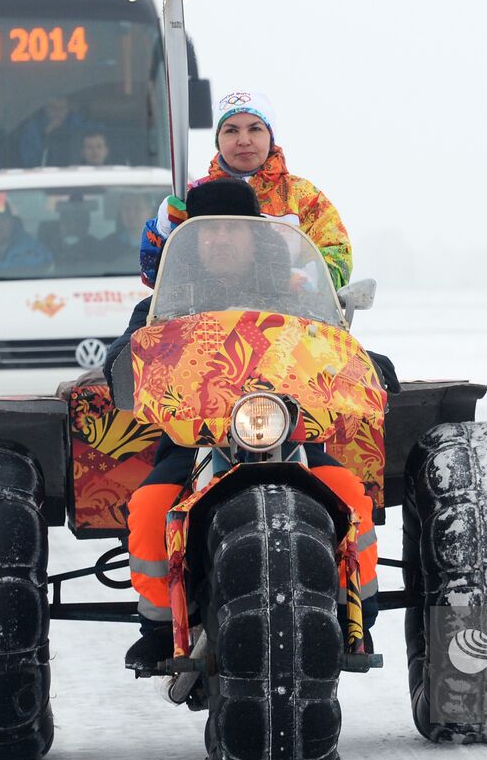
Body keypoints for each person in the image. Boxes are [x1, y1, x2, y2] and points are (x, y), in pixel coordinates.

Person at [114, 178, 378, 674]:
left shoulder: (289, 293)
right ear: (189, 239)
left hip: (290, 438)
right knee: (150, 508)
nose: (219, 240)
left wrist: (368, 362)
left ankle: (356, 612)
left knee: (348, 492)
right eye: (205, 231)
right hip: (193, 446)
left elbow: (330, 339)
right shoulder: (167, 301)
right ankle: (161, 625)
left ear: (253, 234)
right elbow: (130, 348)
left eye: (231, 231)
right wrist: (122, 364)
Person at [138, 90, 352, 290]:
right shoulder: (194, 197)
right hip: (207, 319)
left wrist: (300, 281)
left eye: (255, 129)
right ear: (218, 139)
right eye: (231, 130)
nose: (243, 140)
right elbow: (153, 277)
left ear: (270, 136)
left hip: (288, 320)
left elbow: (337, 256)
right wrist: (164, 231)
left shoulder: (303, 197)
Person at [18, 95, 85, 167]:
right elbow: (30, 162)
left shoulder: (78, 125)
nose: (58, 113)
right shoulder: (33, 129)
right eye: (53, 108)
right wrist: (45, 136)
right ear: (45, 109)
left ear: (68, 109)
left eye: (62, 108)